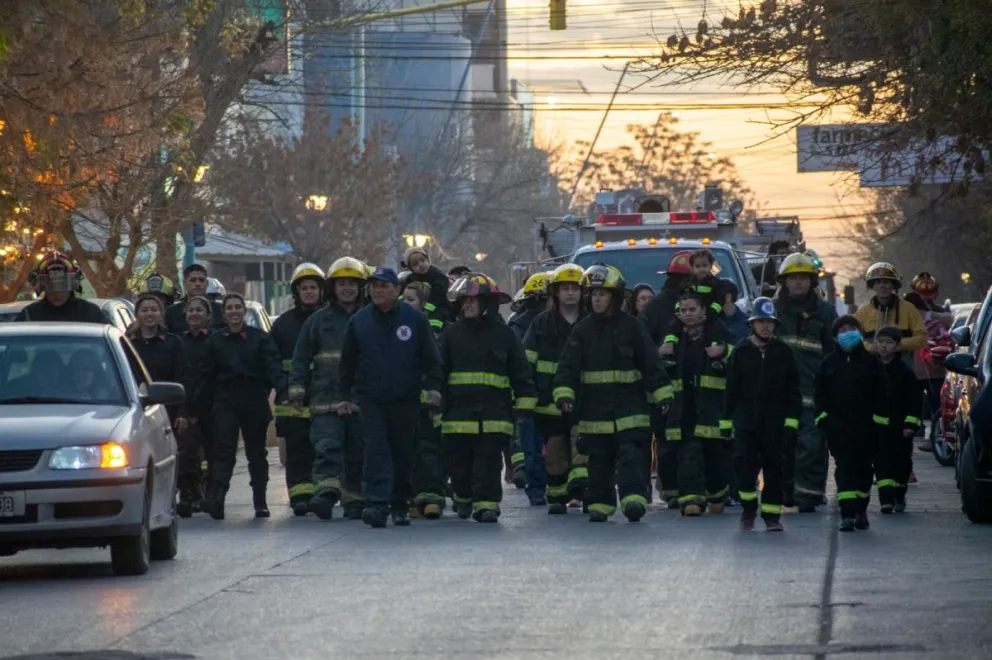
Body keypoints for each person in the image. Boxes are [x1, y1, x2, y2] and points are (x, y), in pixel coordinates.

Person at [554, 264, 673, 523]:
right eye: (593, 294)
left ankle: (633, 501)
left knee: (631, 456)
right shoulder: (582, 330)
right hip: (595, 412)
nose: (596, 298)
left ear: (615, 297)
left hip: (630, 410)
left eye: (602, 294)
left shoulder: (633, 327)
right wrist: (564, 395)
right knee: (599, 461)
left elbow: (651, 363)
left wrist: (663, 394)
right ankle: (599, 504)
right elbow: (568, 366)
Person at [337, 267, 444, 528]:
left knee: (403, 452)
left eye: (384, 286)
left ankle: (399, 504)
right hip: (371, 398)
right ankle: (376, 503)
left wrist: (433, 387)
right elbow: (347, 363)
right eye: (374, 286)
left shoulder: (414, 320)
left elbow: (431, 358)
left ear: (396, 290)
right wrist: (345, 396)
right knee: (375, 449)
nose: (378, 290)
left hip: (406, 399)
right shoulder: (360, 321)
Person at [439, 272, 537, 522]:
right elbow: (437, 371)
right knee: (459, 467)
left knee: (488, 463)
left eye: (473, 300)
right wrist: (434, 404)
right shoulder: (450, 335)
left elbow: (520, 370)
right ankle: (462, 497)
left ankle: (487, 505)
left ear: (487, 304)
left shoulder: (504, 335)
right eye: (464, 301)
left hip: (494, 415)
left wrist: (524, 404)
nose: (467, 305)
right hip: (458, 416)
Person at [289, 257, 369, 521]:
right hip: (325, 398)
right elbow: (301, 357)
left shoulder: (370, 319)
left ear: (360, 287)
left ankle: (354, 499)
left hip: (361, 398)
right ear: (332, 288)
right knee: (327, 446)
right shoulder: (317, 320)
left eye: (352, 284)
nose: (347, 289)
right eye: (341, 284)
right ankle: (325, 494)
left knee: (358, 451)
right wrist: (297, 389)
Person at [198, 293, 282, 520]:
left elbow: (273, 367)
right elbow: (205, 375)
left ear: (244, 312)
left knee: (256, 452)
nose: (234, 311)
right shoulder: (215, 341)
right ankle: (218, 500)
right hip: (225, 401)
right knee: (223, 451)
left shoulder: (260, 338)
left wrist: (282, 390)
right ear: (223, 313)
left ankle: (260, 503)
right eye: (230, 308)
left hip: (254, 400)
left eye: (238, 307)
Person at [723, 297, 802, 532]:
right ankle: (748, 511)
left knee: (774, 472)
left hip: (775, 426)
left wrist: (791, 424)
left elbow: (794, 391)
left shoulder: (784, 352)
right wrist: (726, 423)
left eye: (769, 322)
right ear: (752, 324)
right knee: (745, 471)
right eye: (761, 322)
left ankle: (771, 517)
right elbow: (731, 390)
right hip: (746, 425)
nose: (766, 326)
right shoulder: (740, 352)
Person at [774, 252, 838, 513]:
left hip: (813, 393)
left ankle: (809, 495)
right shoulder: (772, 310)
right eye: (793, 278)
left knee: (811, 446)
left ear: (812, 282)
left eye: (803, 278)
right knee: (780, 445)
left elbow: (833, 353)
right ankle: (785, 492)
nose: (798, 283)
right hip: (778, 394)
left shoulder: (825, 312)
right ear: (784, 282)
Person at [661, 291, 734, 516]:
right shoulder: (673, 337)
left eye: (692, 309)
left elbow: (741, 357)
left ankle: (717, 494)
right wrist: (660, 354)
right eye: (683, 310)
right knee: (687, 453)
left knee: (714, 455)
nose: (688, 314)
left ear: (703, 310)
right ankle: (691, 499)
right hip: (684, 408)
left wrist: (723, 352)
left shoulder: (718, 331)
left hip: (712, 407)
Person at [523, 263, 589, 513]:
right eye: (565, 289)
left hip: (584, 398)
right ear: (556, 293)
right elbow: (527, 359)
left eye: (575, 288)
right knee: (555, 453)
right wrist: (529, 393)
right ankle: (557, 495)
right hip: (549, 401)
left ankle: (582, 493)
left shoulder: (590, 322)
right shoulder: (541, 323)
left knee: (582, 447)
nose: (570, 293)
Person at [815, 315, 889, 532]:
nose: (847, 333)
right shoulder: (828, 363)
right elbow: (820, 395)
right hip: (838, 428)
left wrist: (879, 420)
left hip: (867, 427)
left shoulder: (871, 361)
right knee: (844, 468)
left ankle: (861, 509)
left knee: (864, 470)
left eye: (852, 328)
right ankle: (847, 513)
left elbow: (882, 392)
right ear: (835, 336)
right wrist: (823, 419)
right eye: (842, 329)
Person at [271, 263, 326, 516]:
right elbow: (272, 362)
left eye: (313, 287)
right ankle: (299, 497)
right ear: (296, 292)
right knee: (297, 450)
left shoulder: (329, 321)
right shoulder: (283, 324)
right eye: (304, 288)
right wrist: (284, 388)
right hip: (290, 400)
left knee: (322, 447)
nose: (309, 292)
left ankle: (320, 493)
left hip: (323, 396)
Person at [400, 280, 447, 519]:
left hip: (427, 404)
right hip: (402, 402)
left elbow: (436, 365)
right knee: (405, 451)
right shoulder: (395, 327)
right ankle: (408, 499)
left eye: (410, 300)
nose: (404, 304)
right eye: (403, 299)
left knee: (429, 449)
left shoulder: (431, 329)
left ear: (424, 303)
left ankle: (430, 498)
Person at [507, 271, 553, 500]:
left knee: (529, 441)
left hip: (528, 392)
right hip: (544, 391)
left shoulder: (516, 323)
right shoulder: (543, 323)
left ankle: (532, 482)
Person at [873, 325, 924, 513]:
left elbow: (915, 401)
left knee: (901, 463)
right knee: (881, 462)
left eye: (888, 342)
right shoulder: (871, 368)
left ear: (897, 346)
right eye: (880, 342)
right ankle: (886, 500)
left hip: (900, 427)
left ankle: (899, 493)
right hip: (877, 427)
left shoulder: (905, 372)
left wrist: (910, 424)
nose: (884, 346)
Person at [177, 295, 216, 517]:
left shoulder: (215, 340)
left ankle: (211, 495)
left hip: (211, 407)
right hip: (186, 407)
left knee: (213, 454)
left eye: (199, 310)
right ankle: (188, 495)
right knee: (187, 454)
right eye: (191, 311)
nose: (194, 314)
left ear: (208, 316)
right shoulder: (178, 342)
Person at [127, 293, 187, 430]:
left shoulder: (173, 343)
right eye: (144, 310)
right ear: (137, 314)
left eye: (154, 310)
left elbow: (183, 377)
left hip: (167, 409)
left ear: (161, 313)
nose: (149, 314)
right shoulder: (128, 344)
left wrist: (182, 413)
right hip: (135, 408)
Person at [854, 262, 926, 359]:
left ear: (894, 285)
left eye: (886, 282)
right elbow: (853, 338)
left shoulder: (908, 309)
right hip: (873, 364)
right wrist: (870, 347)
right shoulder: (862, 313)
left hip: (902, 364)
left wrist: (897, 345)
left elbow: (922, 337)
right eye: (878, 282)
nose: (882, 286)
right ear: (872, 286)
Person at [14, 252, 107, 324]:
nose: (57, 292)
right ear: (42, 286)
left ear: (72, 284)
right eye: (51, 286)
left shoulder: (90, 313)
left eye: (62, 285)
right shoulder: (29, 316)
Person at [401, 247, 452, 334]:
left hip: (437, 306)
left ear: (428, 260)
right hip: (418, 307)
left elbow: (438, 293)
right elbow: (403, 293)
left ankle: (434, 333)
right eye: (415, 264)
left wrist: (428, 308)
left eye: (423, 260)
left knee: (436, 318)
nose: (421, 265)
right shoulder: (410, 279)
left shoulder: (437, 275)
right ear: (411, 268)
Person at [166, 264, 226, 333]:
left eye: (201, 280)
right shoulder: (171, 313)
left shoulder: (220, 311)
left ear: (207, 283)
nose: (198, 284)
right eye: (193, 280)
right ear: (184, 283)